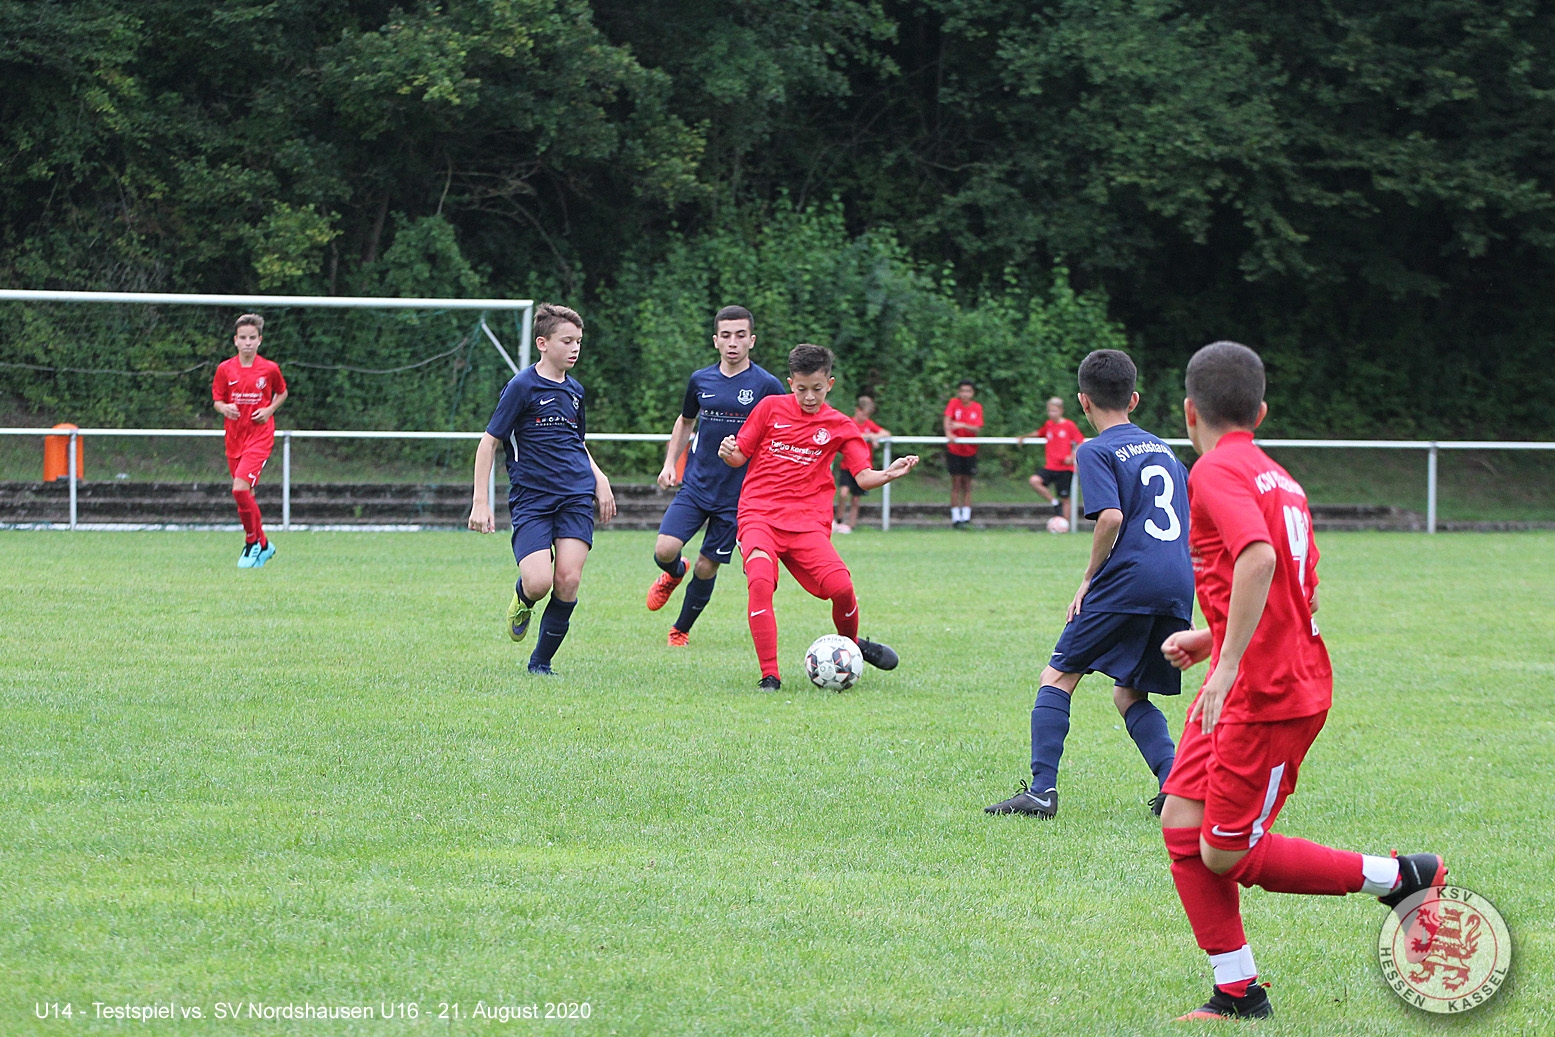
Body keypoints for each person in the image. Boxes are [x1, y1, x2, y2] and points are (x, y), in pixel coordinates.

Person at [1156, 341, 1446, 1021]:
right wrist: (1211, 640)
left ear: (1187, 411)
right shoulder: (1279, 478)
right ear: (1259, 410)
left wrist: (1225, 663)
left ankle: (1402, 876)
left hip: (1269, 690)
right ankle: (1236, 991)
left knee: (1227, 853)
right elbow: (1301, 589)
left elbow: (1256, 558)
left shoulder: (1213, 472)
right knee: (1181, 823)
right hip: (1248, 675)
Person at [986, 350, 1189, 820]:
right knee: (1129, 692)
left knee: (1058, 675)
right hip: (1176, 581)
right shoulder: (1165, 450)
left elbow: (1112, 517)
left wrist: (1088, 578)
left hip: (1128, 580)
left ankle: (1040, 791)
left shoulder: (1095, 449)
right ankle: (1176, 783)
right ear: (1133, 399)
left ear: (1083, 401)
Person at [718, 344, 919, 690]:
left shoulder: (840, 426)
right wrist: (729, 452)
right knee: (761, 579)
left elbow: (862, 476)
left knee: (842, 589)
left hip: (807, 524)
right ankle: (770, 675)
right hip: (759, 516)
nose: (809, 397)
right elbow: (740, 457)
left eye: (817, 388)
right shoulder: (769, 409)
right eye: (801, 389)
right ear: (790, 383)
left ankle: (851, 647)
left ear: (831, 383)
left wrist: (889, 473)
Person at [468, 303, 617, 677]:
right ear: (542, 343)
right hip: (532, 499)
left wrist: (599, 479)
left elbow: (575, 442)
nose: (575, 348)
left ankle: (541, 663)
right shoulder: (521, 387)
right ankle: (523, 599)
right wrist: (480, 502)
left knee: (568, 579)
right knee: (539, 582)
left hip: (575, 496)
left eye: (578, 341)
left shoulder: (577, 392)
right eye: (567, 341)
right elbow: (488, 443)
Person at [646, 305, 786, 646]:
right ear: (716, 341)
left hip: (738, 494)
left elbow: (783, 431)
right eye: (726, 336)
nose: (733, 342)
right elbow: (685, 421)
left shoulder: (767, 385)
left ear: (751, 340)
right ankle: (674, 573)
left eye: (740, 335)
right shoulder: (701, 379)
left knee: (707, 566)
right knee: (665, 549)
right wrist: (669, 463)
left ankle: (680, 629)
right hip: (697, 485)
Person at [212, 313, 287, 568]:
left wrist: (268, 411)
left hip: (259, 437)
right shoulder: (225, 369)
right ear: (235, 340)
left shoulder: (269, 368)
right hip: (234, 438)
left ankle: (252, 542)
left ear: (259, 340)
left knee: (239, 489)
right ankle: (265, 545)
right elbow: (217, 400)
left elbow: (282, 392)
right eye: (242, 338)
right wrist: (225, 409)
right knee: (247, 494)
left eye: (252, 338)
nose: (247, 342)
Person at [1018, 396, 1085, 523]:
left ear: (1061, 410)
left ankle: (1065, 525)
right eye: (1049, 411)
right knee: (1034, 480)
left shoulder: (1069, 425)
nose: (1051, 414)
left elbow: (1080, 441)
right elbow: (1039, 433)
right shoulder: (1048, 425)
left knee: (1065, 497)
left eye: (1054, 411)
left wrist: (1072, 455)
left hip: (1065, 468)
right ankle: (1054, 502)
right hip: (1050, 466)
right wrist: (1024, 437)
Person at [833, 394, 891, 534]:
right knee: (843, 493)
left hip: (863, 467)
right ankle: (839, 520)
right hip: (847, 466)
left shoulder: (869, 425)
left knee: (856, 498)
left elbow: (886, 433)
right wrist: (869, 436)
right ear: (857, 410)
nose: (865, 418)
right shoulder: (850, 423)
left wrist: (874, 436)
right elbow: (850, 434)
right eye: (863, 414)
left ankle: (851, 525)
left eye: (867, 415)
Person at [943, 380, 983, 528]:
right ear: (959, 392)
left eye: (968, 391)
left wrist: (962, 425)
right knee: (956, 483)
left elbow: (977, 428)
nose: (965, 394)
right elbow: (947, 420)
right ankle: (955, 518)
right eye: (963, 391)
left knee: (967, 484)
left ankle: (966, 517)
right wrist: (948, 432)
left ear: (972, 393)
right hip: (955, 449)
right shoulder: (954, 403)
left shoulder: (976, 407)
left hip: (970, 450)